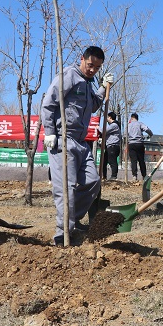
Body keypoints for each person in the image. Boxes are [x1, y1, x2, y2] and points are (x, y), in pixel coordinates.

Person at [41, 46, 113, 246]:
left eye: (97, 68)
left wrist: (103, 87)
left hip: (81, 143)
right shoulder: (68, 76)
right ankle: (62, 234)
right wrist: (49, 132)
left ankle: (72, 219)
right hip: (63, 140)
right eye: (90, 65)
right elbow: (48, 104)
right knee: (66, 188)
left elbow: (93, 106)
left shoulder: (88, 83)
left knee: (92, 181)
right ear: (82, 59)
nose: (92, 70)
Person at [127, 113, 153, 180]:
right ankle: (144, 176)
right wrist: (150, 134)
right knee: (141, 160)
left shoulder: (128, 125)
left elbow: (125, 135)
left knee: (133, 161)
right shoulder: (140, 123)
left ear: (131, 118)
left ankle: (134, 176)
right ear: (137, 118)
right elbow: (147, 129)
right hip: (139, 143)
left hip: (131, 144)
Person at [99, 111, 121, 180]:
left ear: (110, 117)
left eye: (107, 117)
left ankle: (114, 177)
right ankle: (104, 176)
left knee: (112, 161)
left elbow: (104, 131)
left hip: (113, 146)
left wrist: (97, 127)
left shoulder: (114, 125)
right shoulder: (113, 125)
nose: (106, 119)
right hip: (109, 146)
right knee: (104, 162)